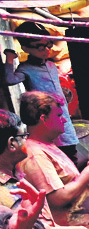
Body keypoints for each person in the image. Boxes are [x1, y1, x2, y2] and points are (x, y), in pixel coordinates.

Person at [15, 92, 89, 227]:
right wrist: (87, 174)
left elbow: (69, 184)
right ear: (44, 119)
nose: (64, 119)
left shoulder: (48, 145)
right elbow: (57, 198)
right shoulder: (35, 154)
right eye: (59, 115)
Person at [3, 22, 77, 154]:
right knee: (53, 150)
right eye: (39, 47)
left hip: (63, 116)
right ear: (25, 48)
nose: (46, 50)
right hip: (45, 118)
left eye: (48, 45)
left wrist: (65, 92)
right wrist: (9, 60)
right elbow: (10, 80)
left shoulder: (51, 65)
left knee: (71, 150)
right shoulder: (26, 68)